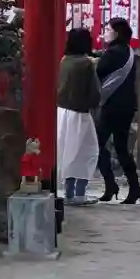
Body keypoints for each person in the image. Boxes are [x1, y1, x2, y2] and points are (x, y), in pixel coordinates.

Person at [96, 15, 140, 205]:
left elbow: (99, 71)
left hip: (112, 106)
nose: (105, 33)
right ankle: (134, 187)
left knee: (97, 146)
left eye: (108, 30)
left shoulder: (112, 53)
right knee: (122, 148)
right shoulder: (129, 51)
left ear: (116, 33)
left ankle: (110, 184)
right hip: (127, 106)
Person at [56, 26, 101, 203]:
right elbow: (95, 93)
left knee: (67, 153)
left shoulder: (64, 60)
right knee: (86, 152)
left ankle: (68, 193)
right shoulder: (86, 63)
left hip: (62, 112)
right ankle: (80, 193)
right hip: (80, 113)